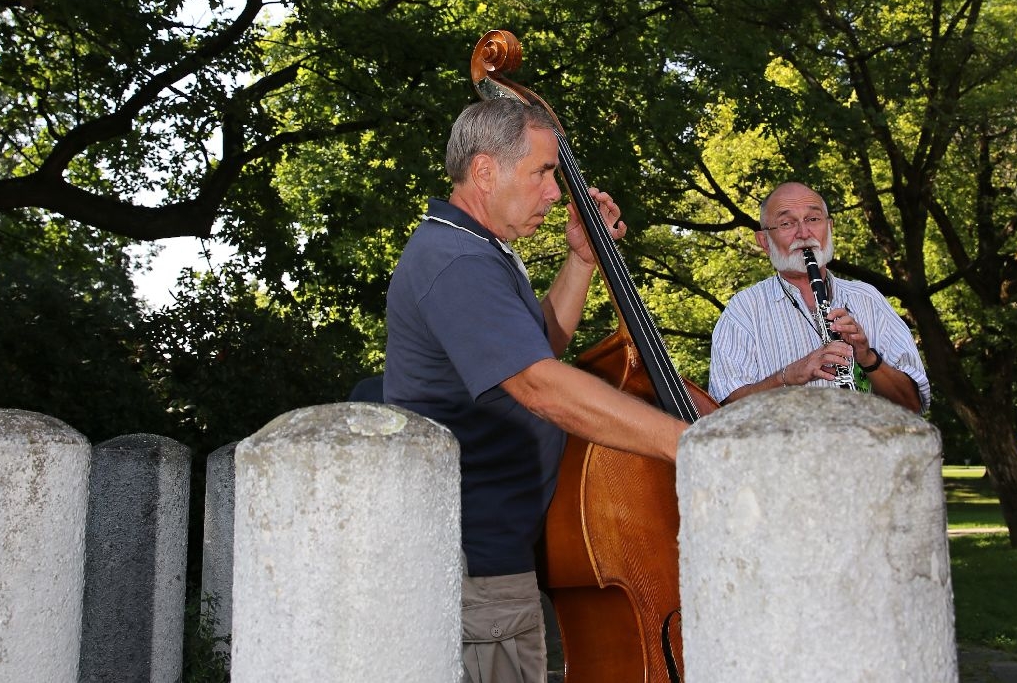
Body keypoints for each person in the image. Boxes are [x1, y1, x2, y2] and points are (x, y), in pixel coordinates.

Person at [383, 97, 689, 683]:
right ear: (484, 172)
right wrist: (693, 445)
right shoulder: (456, 261)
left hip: (499, 560)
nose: (555, 191)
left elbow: (535, 349)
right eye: (542, 172)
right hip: (482, 568)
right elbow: (538, 384)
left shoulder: (476, 250)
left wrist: (580, 261)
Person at [709, 181, 929, 414]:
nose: (804, 234)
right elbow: (724, 413)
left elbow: (912, 405)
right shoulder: (743, 310)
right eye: (786, 223)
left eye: (813, 219)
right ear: (764, 241)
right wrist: (788, 376)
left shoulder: (867, 298)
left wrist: (867, 357)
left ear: (829, 227)